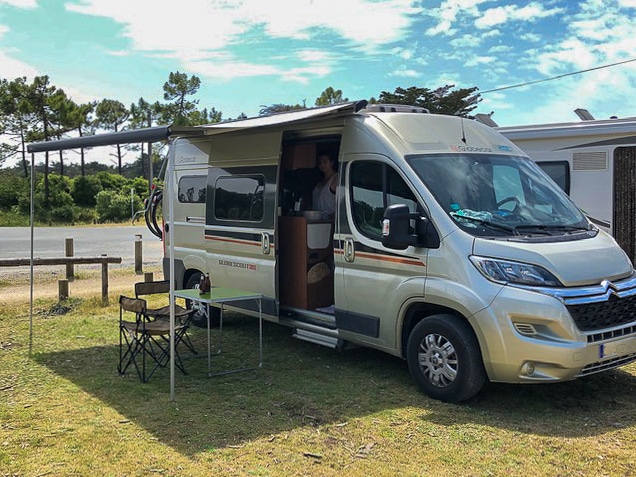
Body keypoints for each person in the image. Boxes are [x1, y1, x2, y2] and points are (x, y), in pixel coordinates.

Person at [312, 153, 338, 219]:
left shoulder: (337, 178)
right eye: (320, 163)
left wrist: (336, 214)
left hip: (330, 221)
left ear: (331, 163)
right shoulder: (320, 182)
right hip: (317, 220)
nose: (322, 165)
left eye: (325, 162)